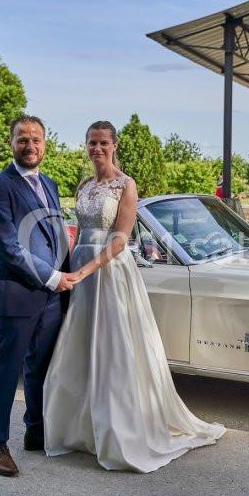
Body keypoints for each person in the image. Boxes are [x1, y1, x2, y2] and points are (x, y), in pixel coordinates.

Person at [43, 121, 225, 473]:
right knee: (81, 345)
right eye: (92, 143)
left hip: (109, 272)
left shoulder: (125, 184)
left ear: (114, 145)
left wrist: (84, 271)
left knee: (114, 348)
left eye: (103, 143)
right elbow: (79, 233)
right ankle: (82, 430)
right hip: (80, 268)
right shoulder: (84, 185)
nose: (97, 149)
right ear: (86, 146)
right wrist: (64, 270)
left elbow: (121, 238)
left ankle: (118, 432)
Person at [0, 115, 77, 477]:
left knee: (40, 366)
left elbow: (55, 235)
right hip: (17, 296)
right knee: (5, 371)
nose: (30, 145)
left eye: (36, 139)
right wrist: (53, 278)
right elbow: (9, 247)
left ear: (45, 144)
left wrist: (70, 278)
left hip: (52, 298)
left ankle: (35, 431)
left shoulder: (48, 183)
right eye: (23, 139)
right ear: (11, 144)